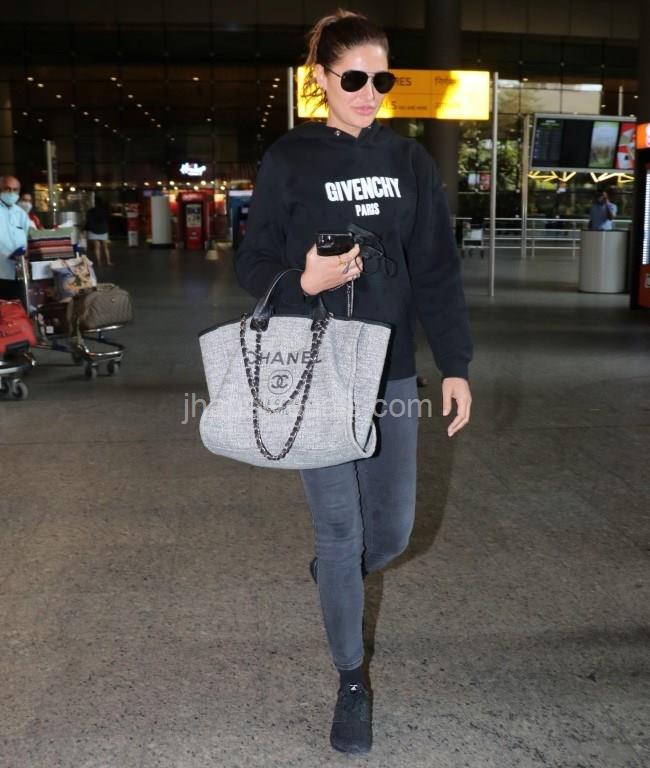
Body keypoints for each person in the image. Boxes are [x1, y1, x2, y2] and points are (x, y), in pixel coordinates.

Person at [234, 10, 473, 755]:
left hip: (392, 370)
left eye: (383, 78)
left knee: (390, 533)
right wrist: (301, 280)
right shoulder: (289, 159)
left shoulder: (409, 162)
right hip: (317, 368)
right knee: (340, 532)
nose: (371, 92)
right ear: (322, 79)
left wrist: (456, 364)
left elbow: (436, 270)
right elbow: (252, 261)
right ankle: (351, 681)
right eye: (355, 78)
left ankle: (335, 574)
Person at [0, 175, 30, 301]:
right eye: (7, 189)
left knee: (18, 307)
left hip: (18, 271)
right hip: (1, 270)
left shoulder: (21, 214)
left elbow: (27, 238)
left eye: (15, 189)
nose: (11, 193)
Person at [85, 195, 113, 266]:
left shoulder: (90, 211)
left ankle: (99, 262)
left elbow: (88, 221)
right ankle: (108, 262)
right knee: (106, 247)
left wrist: (85, 229)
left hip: (94, 230)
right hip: (103, 230)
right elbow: (108, 219)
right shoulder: (104, 211)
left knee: (97, 248)